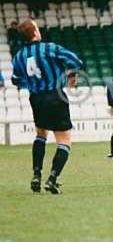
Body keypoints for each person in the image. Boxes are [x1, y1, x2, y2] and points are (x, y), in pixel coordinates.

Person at [11, 19, 83, 194]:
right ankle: (52, 178)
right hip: (55, 96)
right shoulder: (50, 48)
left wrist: (32, 84)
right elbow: (75, 61)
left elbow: (15, 80)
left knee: (41, 135)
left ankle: (36, 174)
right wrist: (72, 76)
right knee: (64, 140)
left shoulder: (18, 56)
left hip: (36, 98)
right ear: (35, 32)